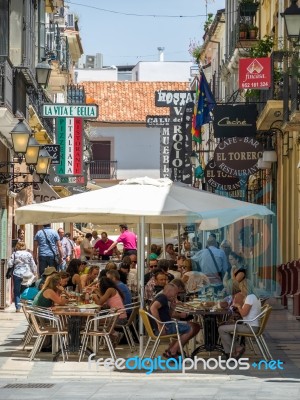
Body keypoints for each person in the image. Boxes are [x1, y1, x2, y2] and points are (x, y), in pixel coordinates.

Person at [150, 283, 200, 359]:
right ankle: (173, 351)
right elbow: (153, 308)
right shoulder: (162, 298)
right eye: (176, 293)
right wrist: (159, 324)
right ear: (169, 292)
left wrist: (172, 307)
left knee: (195, 326)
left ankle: (172, 350)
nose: (176, 296)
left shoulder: (164, 299)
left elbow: (168, 316)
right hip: (164, 327)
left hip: (165, 325)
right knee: (190, 328)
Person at [218, 279, 261, 359]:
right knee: (224, 327)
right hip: (253, 325)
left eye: (241, 288)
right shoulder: (255, 296)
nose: (241, 291)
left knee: (221, 329)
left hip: (250, 327)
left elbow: (244, 313)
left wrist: (238, 306)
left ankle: (235, 350)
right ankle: (231, 353)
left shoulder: (250, 297)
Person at [8, 241, 37, 312]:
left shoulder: (15, 254)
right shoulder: (28, 254)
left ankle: (18, 307)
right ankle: (25, 305)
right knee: (25, 291)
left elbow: (10, 264)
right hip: (26, 274)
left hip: (17, 274)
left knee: (16, 291)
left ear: (17, 246)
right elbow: (33, 265)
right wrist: (34, 272)